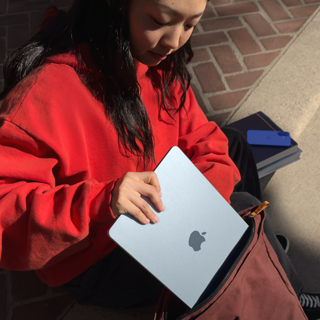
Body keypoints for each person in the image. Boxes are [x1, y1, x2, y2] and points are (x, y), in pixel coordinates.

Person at [0, 0, 319, 318]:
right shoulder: (43, 96)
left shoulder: (161, 65)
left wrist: (200, 211)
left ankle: (250, 258)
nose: (175, 40)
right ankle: (268, 278)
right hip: (98, 253)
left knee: (235, 148)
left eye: (190, 24)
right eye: (158, 20)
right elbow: (6, 215)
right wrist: (99, 202)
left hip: (157, 210)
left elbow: (206, 140)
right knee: (239, 211)